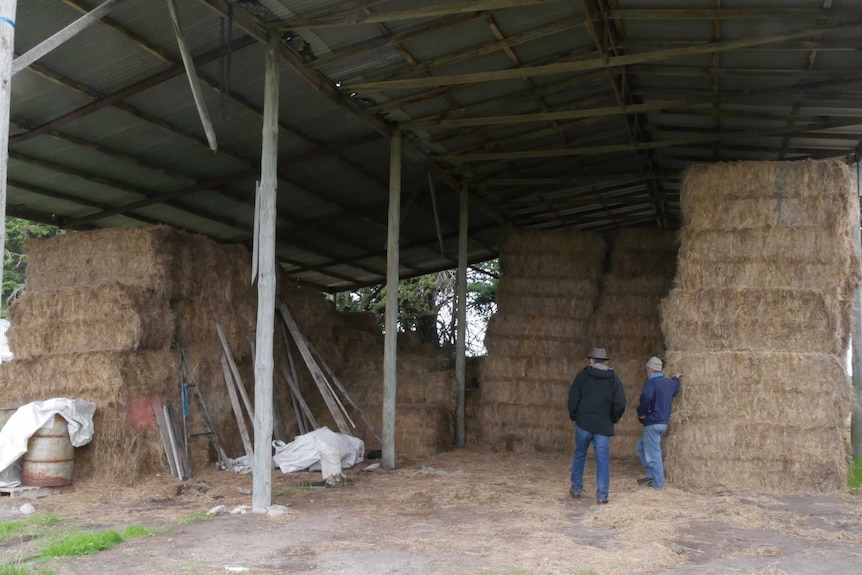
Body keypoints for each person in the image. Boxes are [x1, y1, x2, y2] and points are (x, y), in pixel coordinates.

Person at [567, 347, 626, 504]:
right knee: (602, 460)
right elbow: (620, 402)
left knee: (580, 454)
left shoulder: (583, 375)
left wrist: (574, 415)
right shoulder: (614, 379)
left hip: (583, 423)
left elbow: (573, 397)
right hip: (602, 425)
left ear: (591, 360)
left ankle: (576, 489)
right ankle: (602, 496)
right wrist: (612, 418)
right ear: (606, 361)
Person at [636, 357, 681, 489]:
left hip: (652, 422)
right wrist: (676, 378)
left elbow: (647, 397)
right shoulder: (668, 383)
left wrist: (642, 412)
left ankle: (658, 484)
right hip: (663, 422)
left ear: (650, 370)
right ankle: (651, 475)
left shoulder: (651, 383)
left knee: (654, 452)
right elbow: (675, 386)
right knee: (641, 446)